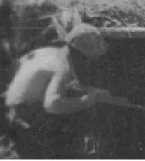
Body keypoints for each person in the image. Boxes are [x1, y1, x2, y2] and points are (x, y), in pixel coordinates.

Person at [3, 23, 112, 158]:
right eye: (88, 58)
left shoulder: (48, 52)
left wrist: (91, 90)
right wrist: (87, 100)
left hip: (11, 113)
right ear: (80, 53)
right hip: (26, 121)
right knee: (69, 129)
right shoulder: (62, 66)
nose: (87, 63)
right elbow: (53, 105)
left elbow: (49, 81)